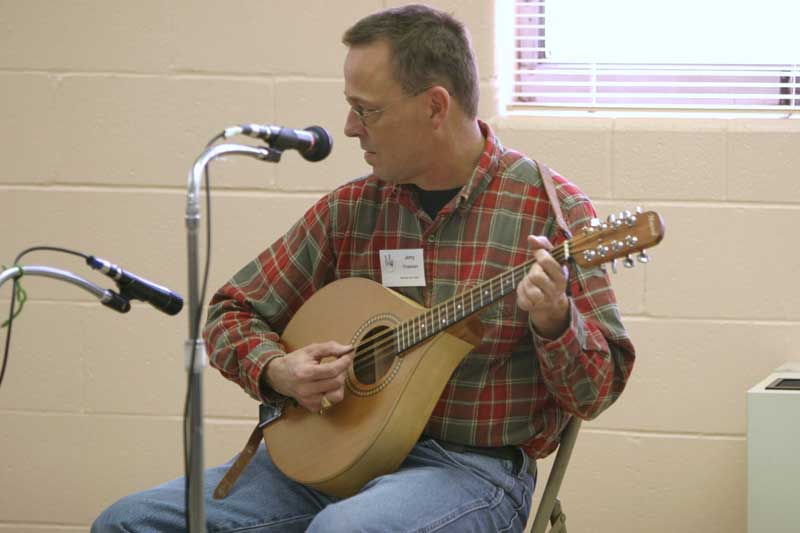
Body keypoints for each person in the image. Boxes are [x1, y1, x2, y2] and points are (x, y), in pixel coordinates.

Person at [93, 4, 635, 532]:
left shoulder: (550, 210)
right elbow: (230, 312)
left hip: (469, 469)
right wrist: (278, 370)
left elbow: (595, 392)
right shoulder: (352, 209)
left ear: (435, 107)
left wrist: (555, 320)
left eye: (367, 109)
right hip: (335, 453)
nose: (350, 127)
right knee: (128, 522)